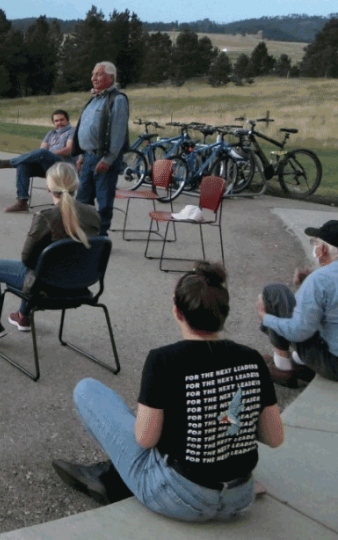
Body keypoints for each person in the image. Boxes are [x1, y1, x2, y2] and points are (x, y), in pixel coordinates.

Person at [53, 263, 284, 522]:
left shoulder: (163, 360)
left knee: (87, 390)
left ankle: (114, 481)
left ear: (177, 311)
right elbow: (274, 438)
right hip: (240, 496)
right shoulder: (252, 359)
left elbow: (145, 439)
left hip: (182, 498)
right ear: (224, 313)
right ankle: (114, 476)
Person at [0, 162, 101, 342]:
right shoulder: (93, 214)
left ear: (49, 187)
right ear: (76, 186)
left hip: (47, 288)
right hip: (80, 285)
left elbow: (27, 259)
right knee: (43, 267)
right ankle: (23, 316)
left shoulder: (46, 217)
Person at [258, 219, 338, 386]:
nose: (314, 247)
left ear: (323, 249)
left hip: (333, 364)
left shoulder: (320, 279)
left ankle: (283, 367)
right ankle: (300, 363)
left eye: (315, 242)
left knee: (275, 292)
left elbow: (298, 332)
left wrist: (265, 317)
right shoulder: (320, 279)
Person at [70, 62, 129, 236]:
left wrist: (108, 160)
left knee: (104, 201)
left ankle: (100, 236)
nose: (94, 78)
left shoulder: (118, 99)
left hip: (104, 158)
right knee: (82, 199)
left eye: (99, 74)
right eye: (93, 74)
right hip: (87, 157)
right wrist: (80, 154)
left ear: (111, 77)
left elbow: (118, 133)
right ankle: (83, 232)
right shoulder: (94, 99)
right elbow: (84, 128)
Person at [0, 110, 75, 213]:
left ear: (67, 120)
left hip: (63, 165)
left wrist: (50, 153)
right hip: (47, 165)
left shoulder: (72, 131)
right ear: (53, 122)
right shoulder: (51, 133)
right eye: (56, 121)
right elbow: (42, 149)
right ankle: (22, 202)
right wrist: (44, 154)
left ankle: (11, 162)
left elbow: (69, 149)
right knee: (23, 165)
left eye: (61, 120)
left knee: (43, 152)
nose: (59, 123)